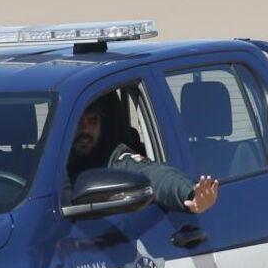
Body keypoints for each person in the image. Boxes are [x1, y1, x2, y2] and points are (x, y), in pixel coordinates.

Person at [66, 91, 218, 213]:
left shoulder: (114, 160)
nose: (85, 130)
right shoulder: (53, 162)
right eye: (78, 121)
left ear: (102, 125)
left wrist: (190, 194)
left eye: (93, 121)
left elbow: (155, 175)